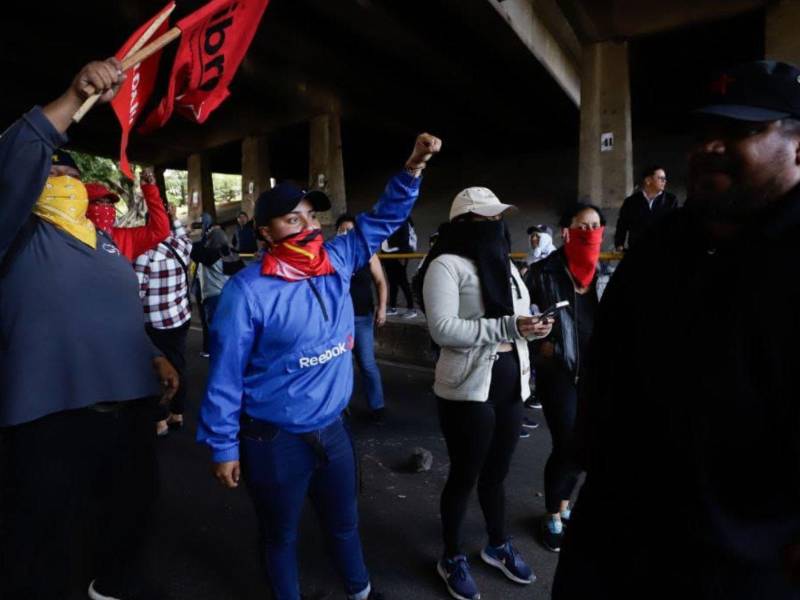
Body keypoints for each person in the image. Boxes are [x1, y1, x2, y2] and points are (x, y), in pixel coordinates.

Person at [553, 61, 800, 600]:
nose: (710, 146)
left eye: (741, 131)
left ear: (798, 147)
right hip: (612, 551)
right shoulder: (662, 245)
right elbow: (606, 368)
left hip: (741, 573)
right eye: (704, 133)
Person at [198, 133, 441, 600]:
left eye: (311, 215)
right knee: (280, 537)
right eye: (293, 219)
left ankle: (359, 591)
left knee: (345, 524)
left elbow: (384, 219)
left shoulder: (338, 257)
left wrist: (412, 169)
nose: (308, 226)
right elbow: (225, 376)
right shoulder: (246, 293)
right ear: (265, 234)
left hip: (333, 430)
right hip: (273, 440)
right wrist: (224, 446)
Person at [0, 58, 178, 600]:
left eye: (71, 174)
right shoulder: (16, 236)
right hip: (49, 419)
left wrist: (154, 353)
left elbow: (117, 312)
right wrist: (72, 95)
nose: (63, 182)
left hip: (126, 411)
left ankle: (114, 588)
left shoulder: (102, 242)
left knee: (129, 520)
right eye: (49, 174)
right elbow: (14, 162)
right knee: (45, 543)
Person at [420, 186, 552, 600]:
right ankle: (452, 555)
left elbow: (519, 315)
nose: (497, 227)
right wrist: (508, 328)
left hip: (512, 379)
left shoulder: (506, 265)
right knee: (465, 474)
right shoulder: (444, 265)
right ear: (463, 224)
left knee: (497, 473)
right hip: (467, 386)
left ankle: (497, 544)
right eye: (487, 220)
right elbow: (442, 329)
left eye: (499, 220)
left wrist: (534, 324)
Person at [525, 202, 610, 553]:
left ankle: (563, 504)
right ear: (566, 231)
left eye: (595, 226)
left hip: (596, 372)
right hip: (558, 370)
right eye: (582, 226)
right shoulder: (543, 272)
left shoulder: (603, 272)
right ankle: (551, 513)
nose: (590, 233)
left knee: (585, 441)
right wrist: (540, 344)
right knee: (567, 442)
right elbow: (523, 319)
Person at [134, 203, 194, 436]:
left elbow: (137, 292)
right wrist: (173, 218)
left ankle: (159, 420)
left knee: (154, 371)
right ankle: (177, 413)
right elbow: (181, 233)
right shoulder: (181, 245)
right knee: (178, 365)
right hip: (180, 319)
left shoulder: (145, 253)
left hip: (154, 324)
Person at [336, 213, 389, 423]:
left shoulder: (368, 254)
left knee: (367, 363)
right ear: (337, 232)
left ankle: (378, 406)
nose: (347, 233)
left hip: (362, 318)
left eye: (351, 229)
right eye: (343, 229)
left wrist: (382, 308)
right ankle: (341, 407)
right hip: (339, 322)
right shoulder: (333, 256)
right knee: (341, 365)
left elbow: (381, 282)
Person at [85, 168, 171, 261]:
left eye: (110, 203)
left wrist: (150, 190)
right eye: (100, 202)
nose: (107, 207)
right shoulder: (72, 240)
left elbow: (160, 231)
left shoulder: (125, 237)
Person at [614, 164, 678, 251]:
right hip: (637, 251)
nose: (664, 181)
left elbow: (675, 226)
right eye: (660, 178)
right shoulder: (631, 202)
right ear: (648, 180)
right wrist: (619, 244)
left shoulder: (671, 200)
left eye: (665, 178)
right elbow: (622, 225)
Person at [381, 216, 417, 317]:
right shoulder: (388, 219)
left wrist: (403, 256)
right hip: (388, 255)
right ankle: (392, 307)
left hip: (399, 254)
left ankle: (411, 309)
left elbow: (404, 238)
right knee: (392, 282)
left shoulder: (402, 219)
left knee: (403, 281)